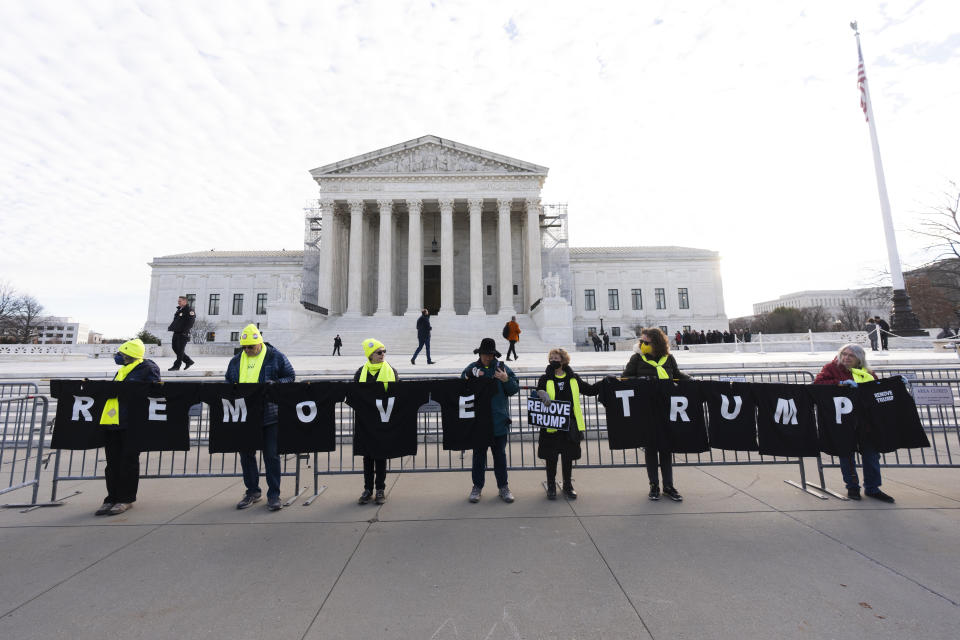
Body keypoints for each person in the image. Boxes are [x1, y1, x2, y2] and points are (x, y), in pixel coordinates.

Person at [226, 324, 295, 511]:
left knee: (271, 456)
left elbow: (290, 377)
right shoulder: (235, 361)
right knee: (246, 456)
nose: (247, 350)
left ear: (259, 342)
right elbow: (227, 382)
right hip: (245, 416)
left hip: (269, 414)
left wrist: (274, 384)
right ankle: (252, 491)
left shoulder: (275, 356)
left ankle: (274, 495)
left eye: (251, 347)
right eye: (244, 347)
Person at [813, 343, 894, 503]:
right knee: (847, 455)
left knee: (871, 456)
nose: (846, 358)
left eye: (851, 355)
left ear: (859, 359)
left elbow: (876, 389)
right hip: (843, 421)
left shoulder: (867, 372)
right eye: (844, 354)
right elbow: (818, 385)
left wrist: (894, 384)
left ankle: (873, 488)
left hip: (865, 421)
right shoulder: (831, 368)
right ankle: (852, 487)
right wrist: (840, 384)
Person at [622, 327, 691, 502]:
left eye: (646, 342)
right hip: (646, 409)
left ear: (656, 342)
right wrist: (642, 382)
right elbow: (625, 378)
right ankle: (654, 485)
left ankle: (668, 485)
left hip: (666, 408)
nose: (642, 344)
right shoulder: (637, 358)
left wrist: (693, 382)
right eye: (641, 342)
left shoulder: (668, 358)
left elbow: (676, 375)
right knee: (651, 449)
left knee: (666, 449)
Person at [95, 339, 161, 516]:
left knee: (128, 462)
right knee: (112, 463)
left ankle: (126, 498)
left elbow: (154, 392)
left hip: (132, 423)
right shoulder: (122, 370)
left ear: (130, 355)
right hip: (113, 421)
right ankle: (111, 498)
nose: (118, 357)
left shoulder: (147, 368)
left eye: (122, 354)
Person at [536, 349, 599, 499]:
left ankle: (567, 485)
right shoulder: (545, 378)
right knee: (551, 457)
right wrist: (540, 393)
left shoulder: (573, 378)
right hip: (551, 424)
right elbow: (538, 392)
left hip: (570, 424)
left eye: (556, 358)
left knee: (568, 456)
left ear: (563, 360)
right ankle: (551, 485)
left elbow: (589, 390)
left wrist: (605, 382)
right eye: (551, 357)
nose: (553, 360)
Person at [462, 338, 519, 503]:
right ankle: (477, 487)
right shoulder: (472, 368)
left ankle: (503, 487)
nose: (487, 357)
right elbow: (460, 384)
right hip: (479, 422)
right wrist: (468, 376)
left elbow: (514, 388)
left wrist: (505, 379)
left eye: (490, 354)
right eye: (485, 354)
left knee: (499, 457)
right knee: (478, 457)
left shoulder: (502, 368)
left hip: (498, 421)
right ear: (480, 354)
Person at [354, 338, 398, 505]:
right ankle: (367, 489)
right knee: (367, 456)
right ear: (370, 355)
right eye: (379, 352)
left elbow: (397, 394)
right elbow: (356, 395)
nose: (382, 355)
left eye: (384, 351)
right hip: (366, 421)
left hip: (382, 419)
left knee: (380, 455)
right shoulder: (360, 373)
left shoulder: (391, 371)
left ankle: (380, 489)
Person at [167, 295, 196, 371]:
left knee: (180, 350)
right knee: (175, 348)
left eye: (180, 301)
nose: (178, 302)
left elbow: (190, 323)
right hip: (176, 332)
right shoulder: (179, 310)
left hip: (183, 333)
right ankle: (188, 361)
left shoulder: (189, 310)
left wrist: (185, 332)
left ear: (185, 301)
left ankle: (177, 366)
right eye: (178, 301)